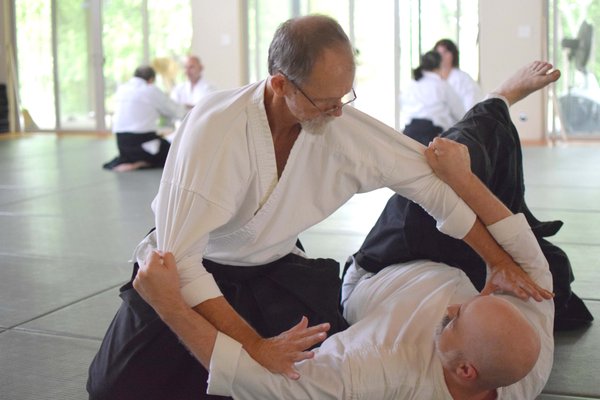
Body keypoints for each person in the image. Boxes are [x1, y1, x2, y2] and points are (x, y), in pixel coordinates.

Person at [87, 15, 551, 400]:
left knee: (283, 385)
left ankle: (496, 106)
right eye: (325, 101)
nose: (337, 113)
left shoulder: (337, 123)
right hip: (185, 269)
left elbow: (428, 181)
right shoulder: (215, 134)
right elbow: (180, 265)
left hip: (272, 269)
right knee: (114, 389)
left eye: (344, 97)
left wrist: (496, 259)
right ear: (280, 84)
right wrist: (253, 344)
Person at [357, 61, 594, 331]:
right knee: (555, 273)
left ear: (464, 371)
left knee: (447, 174)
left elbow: (438, 199)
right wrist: (499, 259)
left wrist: (497, 259)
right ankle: (496, 104)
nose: (457, 314)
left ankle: (494, 107)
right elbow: (521, 248)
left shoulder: (398, 352)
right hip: (456, 255)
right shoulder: (527, 358)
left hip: (392, 253)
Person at [103, 65, 185, 172]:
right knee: (173, 153)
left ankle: (131, 160)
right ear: (151, 79)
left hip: (122, 144)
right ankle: (141, 162)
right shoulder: (151, 90)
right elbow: (177, 112)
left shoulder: (122, 88)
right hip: (142, 142)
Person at [401, 50, 465, 141]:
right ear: (439, 65)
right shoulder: (442, 85)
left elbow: (403, 106)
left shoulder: (411, 84)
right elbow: (459, 113)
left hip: (408, 133)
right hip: (432, 135)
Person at [435, 38, 484, 111]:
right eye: (439, 53)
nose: (442, 56)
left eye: (445, 52)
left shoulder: (463, 79)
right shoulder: (432, 79)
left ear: (453, 55)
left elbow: (471, 103)